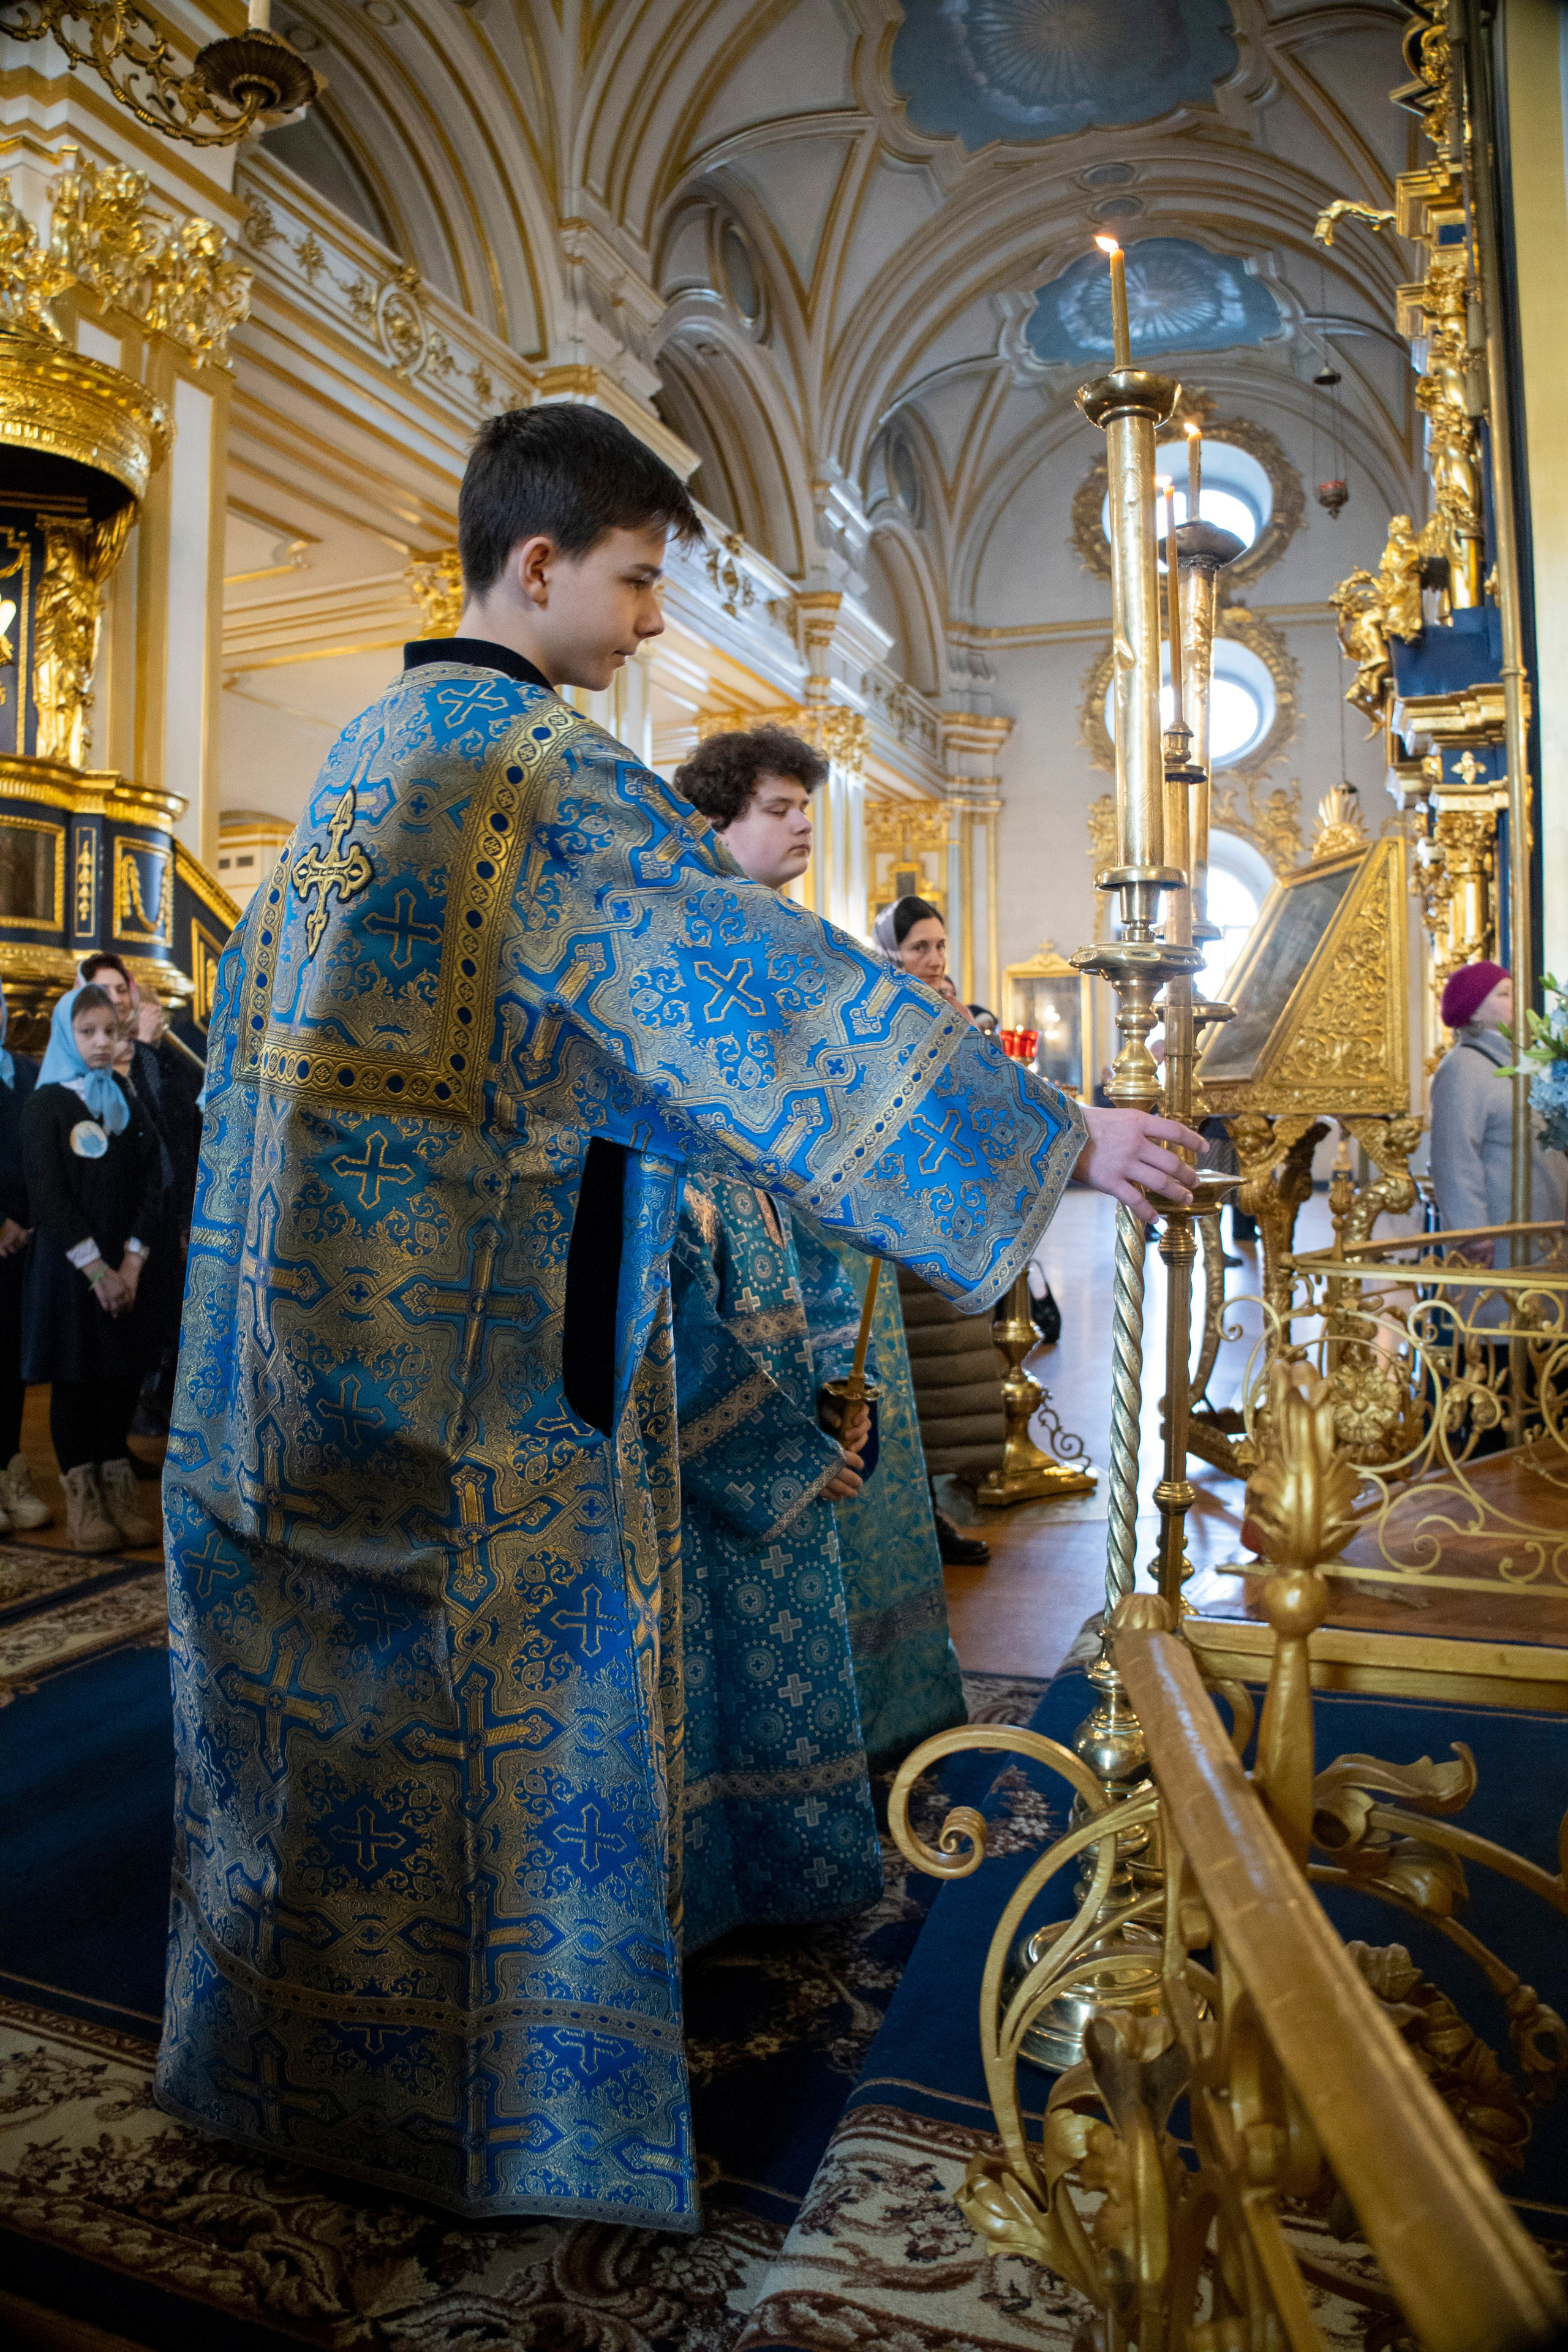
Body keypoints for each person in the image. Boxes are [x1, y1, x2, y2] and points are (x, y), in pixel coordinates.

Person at [158, 401, 1204, 2231]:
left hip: (283, 1367)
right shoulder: (529, 767)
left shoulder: (366, 748)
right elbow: (756, 998)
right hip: (467, 1378)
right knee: (484, 1749)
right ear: (540, 563)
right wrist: (1049, 1135)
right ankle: (494, 2115)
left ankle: (287, 2079)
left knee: (321, 1747)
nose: (650, 622)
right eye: (637, 581)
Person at [673, 725, 966, 1795]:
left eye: (807, 807)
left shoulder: (783, 937)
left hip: (821, 1250)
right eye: (780, 807)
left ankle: (871, 1722)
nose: (804, 824)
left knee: (851, 1467)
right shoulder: (693, 944)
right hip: (740, 1264)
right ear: (718, 818)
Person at [21, 986, 162, 1551]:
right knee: (77, 1381)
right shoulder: (46, 1103)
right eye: (88, 1033)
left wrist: (131, 1261)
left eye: (111, 1031)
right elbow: (49, 1197)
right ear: (67, 1037)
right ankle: (85, 1506)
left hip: (125, 1272)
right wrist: (98, 1271)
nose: (102, 1043)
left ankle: (116, 1496)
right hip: (72, 1272)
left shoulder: (126, 1095)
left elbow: (153, 1181)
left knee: (118, 1379)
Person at [1430, 960, 1566, 1272]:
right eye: (1504, 994)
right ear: (1475, 1011)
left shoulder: (1519, 1061)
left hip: (1542, 1228)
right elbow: (1455, 1159)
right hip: (1502, 1236)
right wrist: (1473, 1233)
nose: (1516, 999)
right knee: (1501, 1315)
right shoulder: (1462, 1069)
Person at [0, 981, 50, 1531]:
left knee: (11, 1364)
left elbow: (45, 1155)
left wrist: (23, 1221)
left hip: (25, 1242)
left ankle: (10, 1476)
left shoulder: (30, 1074)